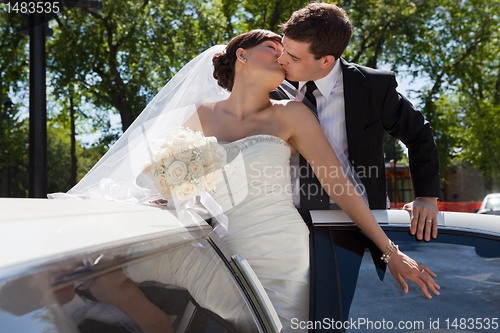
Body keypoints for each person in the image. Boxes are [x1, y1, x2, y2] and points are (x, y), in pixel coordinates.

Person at [55, 30, 440, 333]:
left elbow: (342, 187)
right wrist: (168, 198)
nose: (283, 56)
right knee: (103, 269)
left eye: (288, 52)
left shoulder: (291, 114)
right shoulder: (200, 116)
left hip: (281, 255)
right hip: (218, 250)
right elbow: (170, 183)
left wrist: (391, 251)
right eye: (275, 47)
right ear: (242, 55)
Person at [272, 3, 441, 242]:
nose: (281, 59)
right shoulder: (269, 86)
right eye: (283, 48)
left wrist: (426, 197)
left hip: (360, 227)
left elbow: (419, 133)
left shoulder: (374, 88)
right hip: (286, 223)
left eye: (293, 57)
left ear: (326, 61)